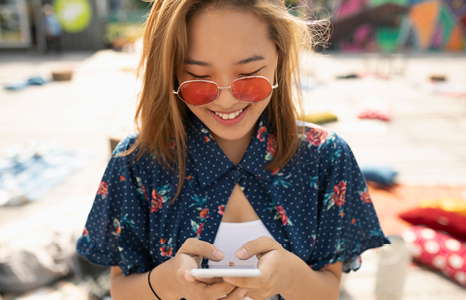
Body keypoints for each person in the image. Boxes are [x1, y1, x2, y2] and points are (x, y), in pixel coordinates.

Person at [76, 1, 389, 299]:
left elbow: (328, 291)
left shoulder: (326, 158)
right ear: (170, 71)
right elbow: (121, 291)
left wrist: (288, 276)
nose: (226, 100)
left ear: (280, 56)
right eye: (198, 77)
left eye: (249, 73)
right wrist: (169, 282)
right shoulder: (137, 162)